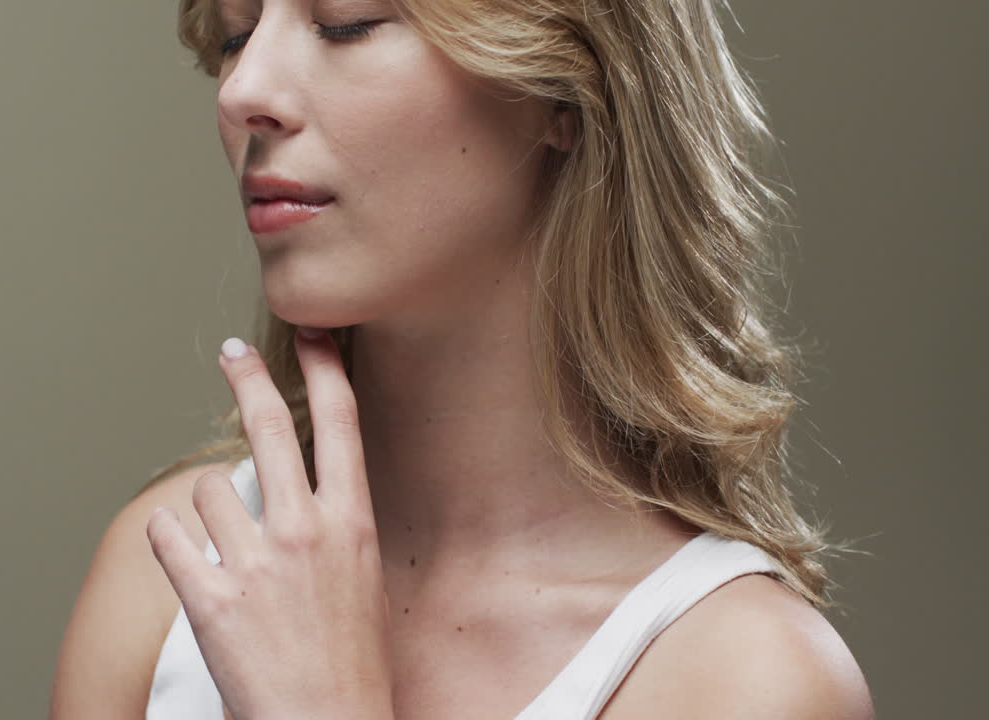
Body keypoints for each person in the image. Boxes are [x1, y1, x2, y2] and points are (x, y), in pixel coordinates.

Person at [51, 1, 875, 718]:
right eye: (237, 32)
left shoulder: (745, 682)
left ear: (566, 91)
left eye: (346, 21)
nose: (241, 91)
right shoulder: (168, 575)